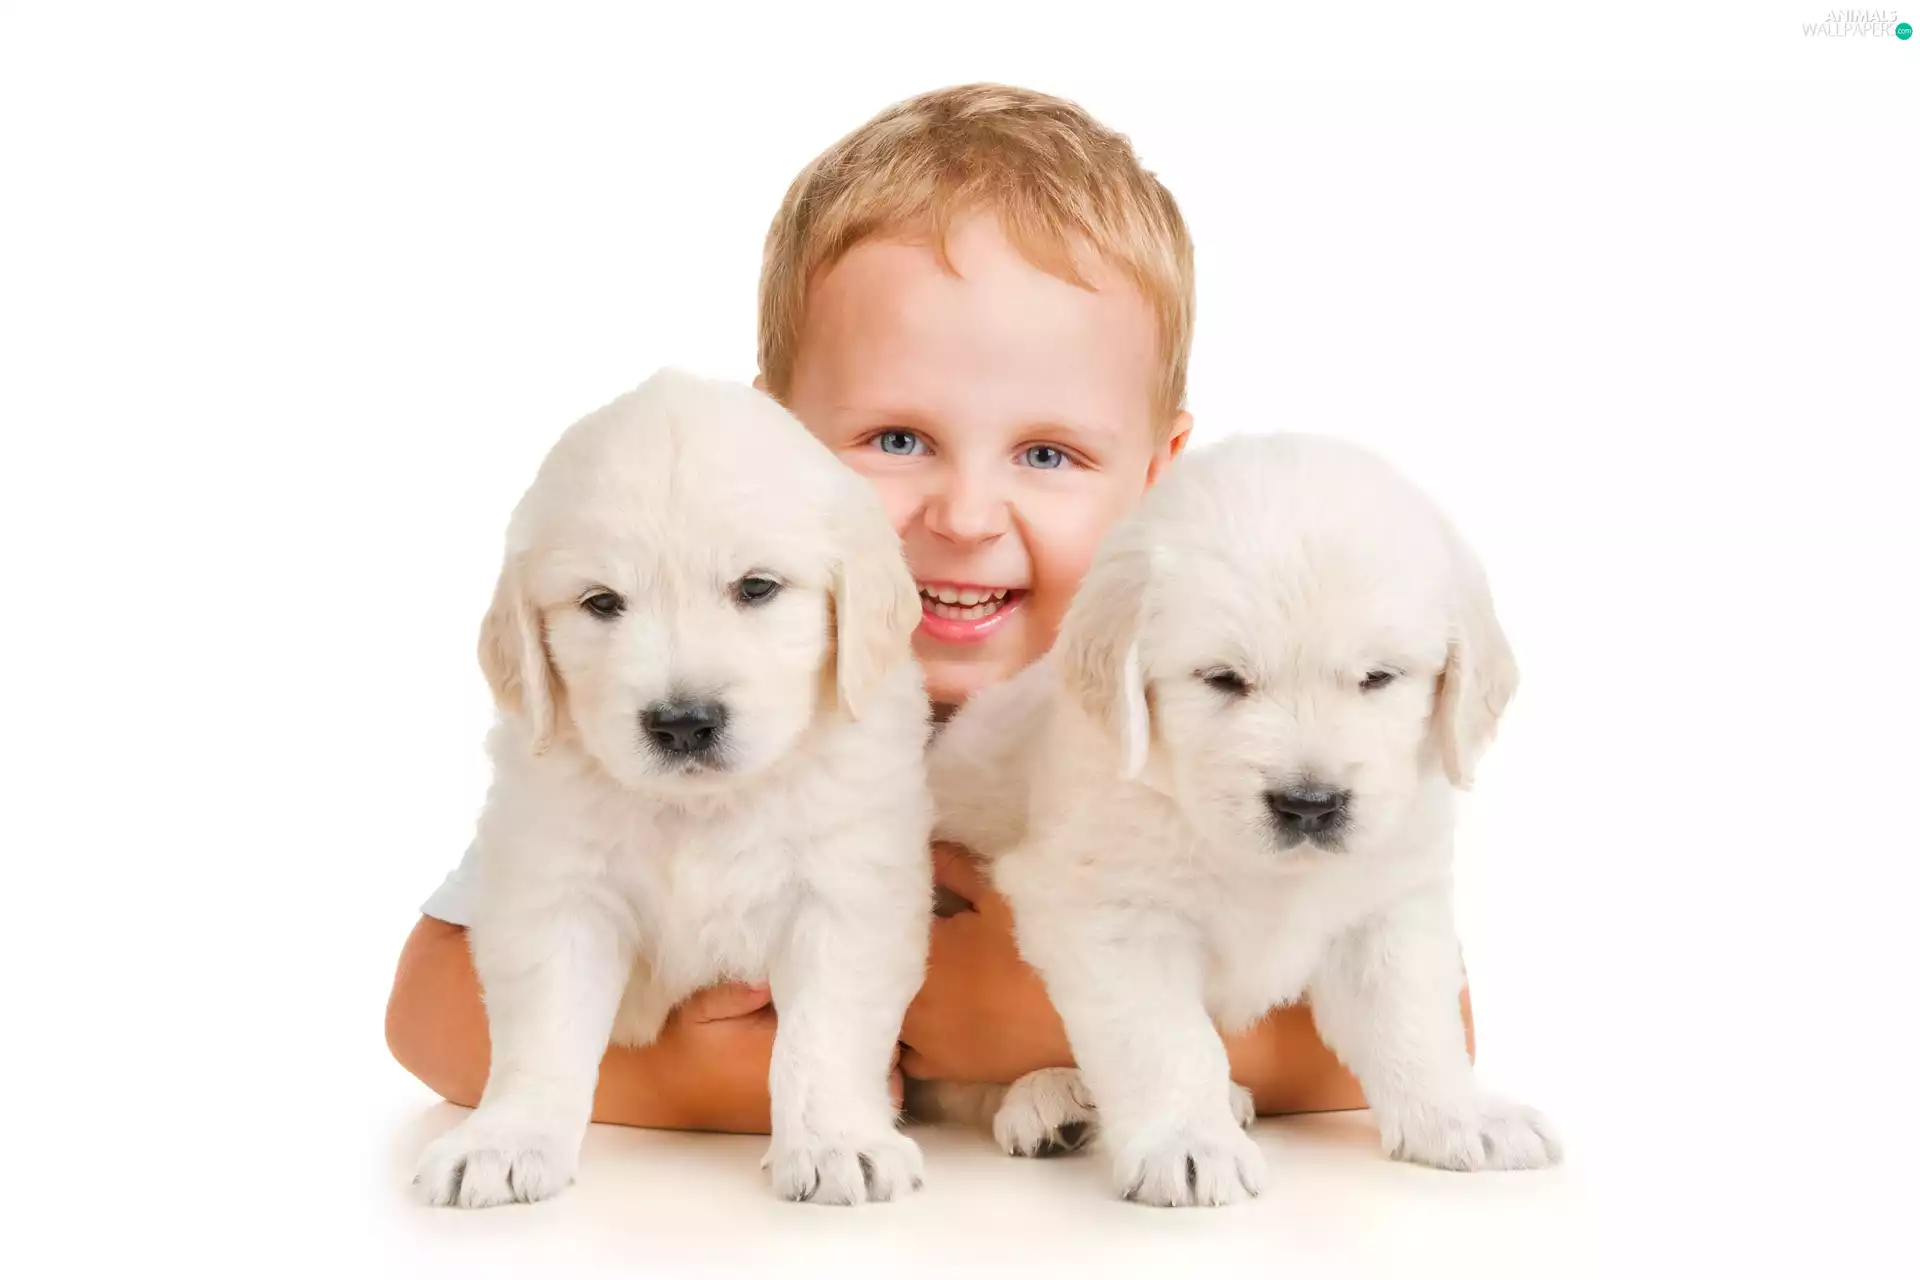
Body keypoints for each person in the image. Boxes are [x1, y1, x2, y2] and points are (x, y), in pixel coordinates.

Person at [385, 82, 1473, 1135]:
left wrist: (1035, 1025)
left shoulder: (1219, 707)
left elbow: (1429, 1012)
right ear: (773, 453)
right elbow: (426, 1010)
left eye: (1048, 452)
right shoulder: (666, 718)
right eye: (898, 439)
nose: (964, 513)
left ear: (1161, 478)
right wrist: (678, 1082)